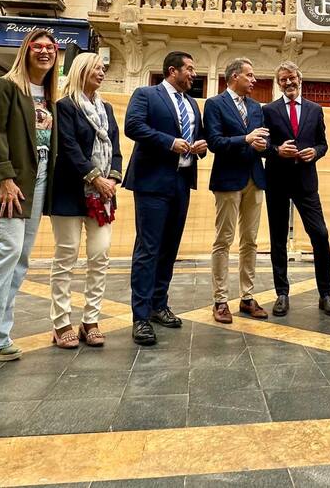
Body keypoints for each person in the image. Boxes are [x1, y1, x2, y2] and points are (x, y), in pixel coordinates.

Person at [0, 29, 58, 381]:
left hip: (39, 182)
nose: (45, 52)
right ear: (26, 51)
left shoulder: (49, 95)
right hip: (12, 185)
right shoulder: (8, 85)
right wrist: (4, 178)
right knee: (3, 253)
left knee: (19, 260)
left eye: (50, 48)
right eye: (37, 47)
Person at [124, 51, 206, 346]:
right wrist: (170, 142)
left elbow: (200, 138)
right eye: (190, 68)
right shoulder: (146, 94)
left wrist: (200, 146)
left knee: (169, 248)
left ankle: (159, 305)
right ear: (173, 70)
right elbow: (133, 126)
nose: (194, 74)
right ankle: (141, 317)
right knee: (148, 249)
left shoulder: (193, 104)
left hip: (181, 183)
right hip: (152, 183)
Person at [49, 53, 122, 348]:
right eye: (96, 68)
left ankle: (90, 320)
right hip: (69, 191)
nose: (101, 73)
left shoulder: (106, 108)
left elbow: (115, 147)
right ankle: (61, 322)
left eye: (103, 69)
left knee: (100, 255)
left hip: (102, 195)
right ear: (81, 71)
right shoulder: (65, 107)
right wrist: (94, 177)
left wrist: (113, 179)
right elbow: (68, 147)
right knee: (66, 257)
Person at [263, 61, 330, 317]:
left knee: (320, 234)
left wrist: (315, 152)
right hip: (276, 181)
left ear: (299, 79)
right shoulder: (269, 110)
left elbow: (323, 144)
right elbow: (263, 144)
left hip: (306, 182)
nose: (288, 83)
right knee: (278, 238)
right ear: (278, 83)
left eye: (292, 78)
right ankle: (282, 293)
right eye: (283, 79)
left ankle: (326, 294)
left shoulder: (315, 110)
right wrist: (276, 150)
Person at [204, 58, 269, 324]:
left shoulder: (256, 106)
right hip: (228, 180)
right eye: (249, 75)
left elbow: (262, 137)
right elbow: (214, 142)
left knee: (250, 240)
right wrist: (246, 139)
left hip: (255, 178)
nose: (254, 80)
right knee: (223, 240)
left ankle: (247, 297)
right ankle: (220, 300)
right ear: (234, 77)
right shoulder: (214, 104)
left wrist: (263, 144)